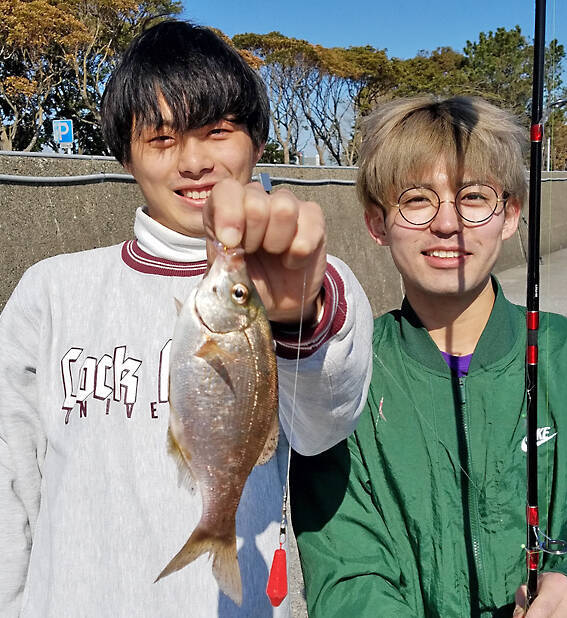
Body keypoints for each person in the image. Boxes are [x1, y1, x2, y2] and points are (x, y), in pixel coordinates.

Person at [0, 20, 372, 617]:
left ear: (257, 142)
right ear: (126, 156)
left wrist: (299, 313)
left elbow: (321, 427)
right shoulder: (50, 292)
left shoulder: (311, 281)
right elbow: (11, 481)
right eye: (162, 138)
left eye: (217, 131)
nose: (194, 161)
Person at [290, 96, 567, 617]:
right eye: (416, 199)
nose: (447, 224)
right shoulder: (335, 386)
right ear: (376, 223)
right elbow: (346, 575)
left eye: (473, 197)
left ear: (510, 215)